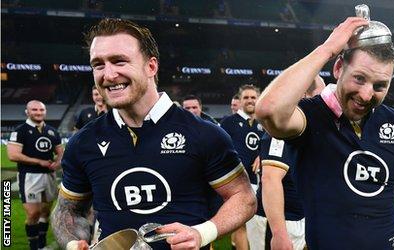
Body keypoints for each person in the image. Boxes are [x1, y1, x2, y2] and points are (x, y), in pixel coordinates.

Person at [51, 18, 256, 250]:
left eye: (119, 61)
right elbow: (68, 210)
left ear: (151, 66)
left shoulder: (204, 134)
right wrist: (72, 243)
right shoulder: (83, 143)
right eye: (98, 64)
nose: (108, 75)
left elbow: (244, 197)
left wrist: (201, 233)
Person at [255, 17, 394, 249]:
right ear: (338, 68)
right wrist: (327, 48)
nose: (367, 95)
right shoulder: (310, 117)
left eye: (380, 85)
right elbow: (269, 110)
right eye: (359, 78)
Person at [249, 75, 325, 250]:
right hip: (280, 220)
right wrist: (279, 233)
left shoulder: (307, 127)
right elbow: (271, 180)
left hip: (299, 215)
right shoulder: (283, 129)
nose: (324, 102)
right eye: (319, 96)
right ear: (303, 95)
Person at [7, 100, 64, 250]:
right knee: (33, 214)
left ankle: (42, 243)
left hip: (50, 176)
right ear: (27, 112)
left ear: (45, 111)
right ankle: (33, 246)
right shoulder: (20, 131)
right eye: (34, 110)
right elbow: (13, 155)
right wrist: (39, 162)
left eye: (41, 110)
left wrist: (58, 162)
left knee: (45, 211)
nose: (38, 112)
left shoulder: (52, 131)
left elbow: (61, 153)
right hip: (30, 176)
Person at [220, 84, 264, 250]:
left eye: (253, 97)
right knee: (242, 225)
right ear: (239, 100)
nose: (250, 100)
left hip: (263, 182)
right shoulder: (228, 123)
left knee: (261, 226)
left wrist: (263, 155)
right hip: (238, 183)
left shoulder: (264, 122)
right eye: (246, 97)